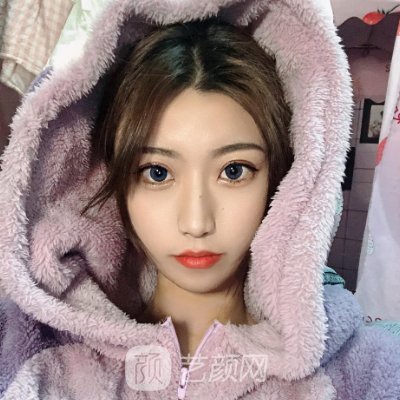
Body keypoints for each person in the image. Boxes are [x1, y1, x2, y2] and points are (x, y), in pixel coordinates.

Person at [0, 1, 399, 399]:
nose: (196, 222)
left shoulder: (365, 370)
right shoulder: (34, 358)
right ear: (113, 181)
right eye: (157, 173)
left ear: (283, 180)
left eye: (234, 171)